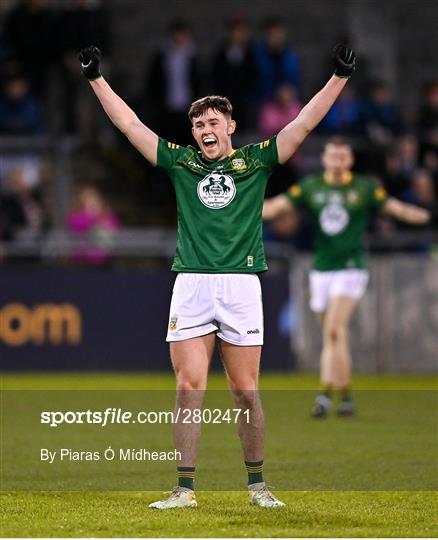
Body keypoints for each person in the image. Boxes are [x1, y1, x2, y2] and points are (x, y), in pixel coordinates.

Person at [79, 42, 356, 509]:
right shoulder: (181, 163)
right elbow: (129, 124)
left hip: (241, 285)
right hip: (190, 282)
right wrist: (94, 79)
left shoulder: (257, 161)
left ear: (230, 127)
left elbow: (304, 122)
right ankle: (183, 489)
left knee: (245, 393)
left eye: (212, 123)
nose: (204, 130)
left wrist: (340, 77)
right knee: (189, 386)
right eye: (198, 124)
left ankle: (257, 486)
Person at [263, 138, 431, 417]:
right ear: (325, 159)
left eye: (343, 156)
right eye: (333, 156)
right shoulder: (311, 187)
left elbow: (397, 209)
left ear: (350, 160)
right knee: (335, 336)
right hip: (321, 268)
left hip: (351, 267)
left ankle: (324, 394)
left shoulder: (364, 188)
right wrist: (236, 208)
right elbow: (275, 208)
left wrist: (426, 215)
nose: (338, 161)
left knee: (333, 328)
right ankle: (347, 395)